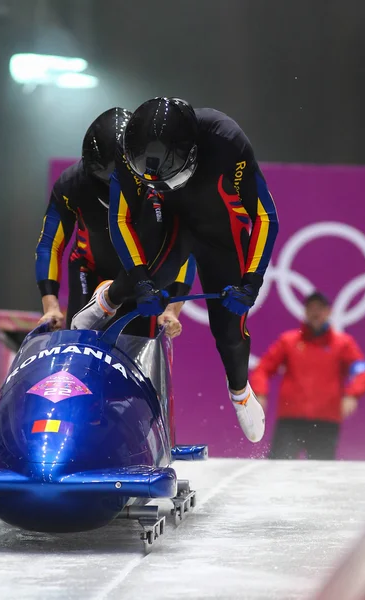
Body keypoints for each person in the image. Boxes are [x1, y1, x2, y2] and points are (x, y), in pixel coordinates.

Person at [72, 97, 279, 443]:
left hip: (220, 236)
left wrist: (252, 281)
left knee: (228, 329)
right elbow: (119, 218)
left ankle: (240, 390)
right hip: (168, 221)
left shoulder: (227, 140)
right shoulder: (130, 149)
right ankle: (109, 298)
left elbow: (264, 216)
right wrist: (137, 280)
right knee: (150, 278)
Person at [35, 107, 195, 338]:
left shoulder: (161, 186)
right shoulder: (71, 184)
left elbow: (182, 250)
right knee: (77, 345)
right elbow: (50, 244)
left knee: (138, 359)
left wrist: (171, 311)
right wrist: (50, 306)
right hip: (90, 274)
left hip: (141, 283)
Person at [250, 291, 365, 460]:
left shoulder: (343, 344)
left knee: (320, 477)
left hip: (325, 423)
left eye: (320, 309)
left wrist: (353, 394)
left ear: (328, 312)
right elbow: (263, 368)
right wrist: (260, 393)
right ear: (305, 311)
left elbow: (363, 373)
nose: (315, 313)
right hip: (290, 421)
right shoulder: (289, 341)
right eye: (311, 308)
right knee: (278, 472)